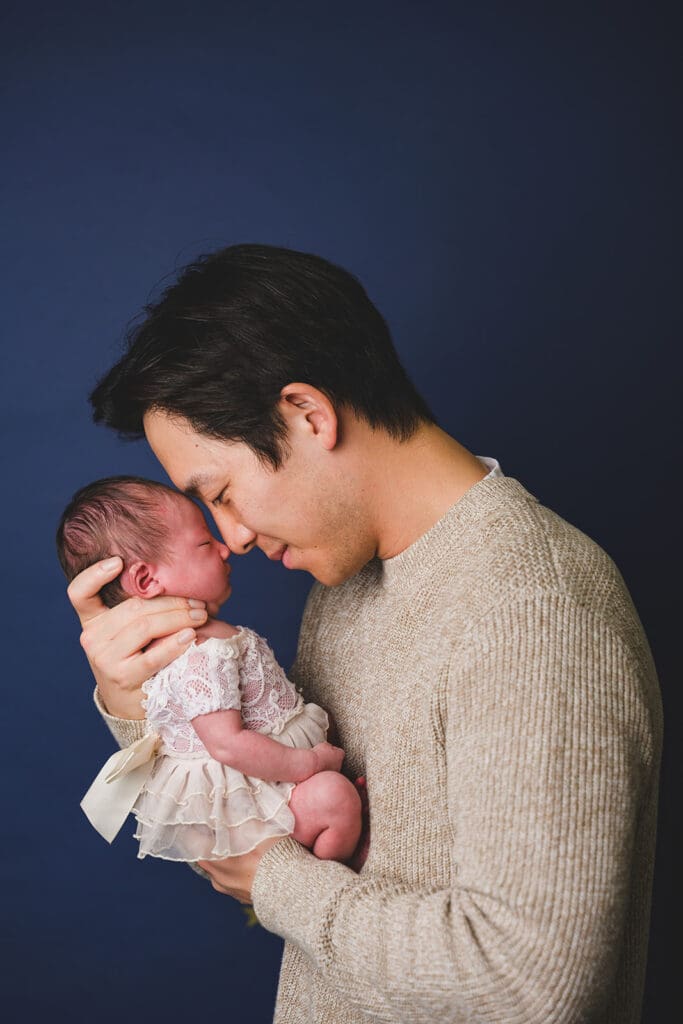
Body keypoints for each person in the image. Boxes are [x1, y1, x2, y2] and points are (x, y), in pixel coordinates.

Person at [67, 244, 662, 1024]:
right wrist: (137, 699)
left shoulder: (532, 608)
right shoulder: (346, 583)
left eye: (221, 493)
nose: (231, 537)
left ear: (308, 415)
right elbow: (278, 824)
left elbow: (528, 987)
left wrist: (276, 883)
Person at [57, 475, 362, 865]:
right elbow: (227, 744)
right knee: (334, 799)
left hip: (268, 776)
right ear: (147, 580)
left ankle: (337, 839)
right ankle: (339, 865)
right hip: (254, 794)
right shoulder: (202, 654)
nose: (224, 548)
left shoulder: (204, 641)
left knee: (336, 798)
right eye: (204, 543)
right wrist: (310, 765)